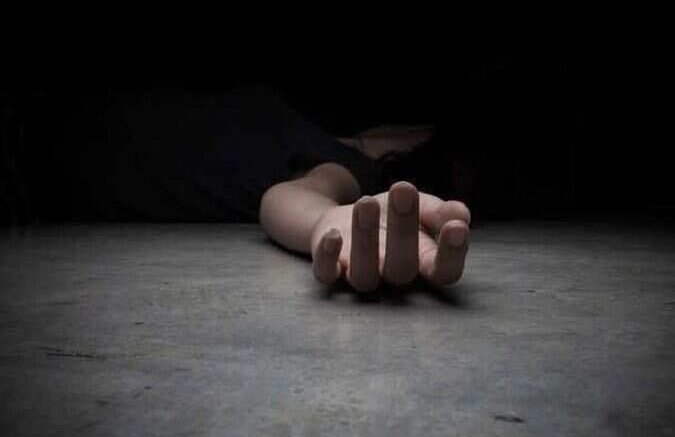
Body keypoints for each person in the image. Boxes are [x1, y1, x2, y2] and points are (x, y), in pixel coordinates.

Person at [1, 86, 471, 291]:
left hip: (29, 161)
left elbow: (290, 196)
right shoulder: (309, 126)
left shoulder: (347, 166)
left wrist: (327, 221)